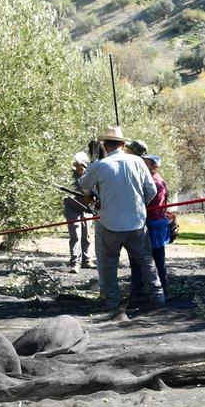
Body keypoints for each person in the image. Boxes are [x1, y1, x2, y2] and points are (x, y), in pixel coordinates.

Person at [78, 127, 164, 321]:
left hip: (109, 223)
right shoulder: (138, 162)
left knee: (107, 265)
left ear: (104, 146)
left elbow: (84, 184)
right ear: (124, 144)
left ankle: (111, 303)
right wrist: (139, 206)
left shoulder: (100, 165)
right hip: (136, 223)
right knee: (146, 262)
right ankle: (158, 300)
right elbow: (150, 190)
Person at [131, 154, 171, 302]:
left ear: (153, 165)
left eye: (145, 163)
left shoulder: (153, 182)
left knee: (151, 257)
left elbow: (146, 203)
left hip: (152, 222)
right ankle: (161, 288)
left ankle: (153, 291)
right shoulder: (159, 180)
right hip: (158, 222)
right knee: (157, 256)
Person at [63, 152, 95, 271]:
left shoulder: (91, 174)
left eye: (80, 165)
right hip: (72, 209)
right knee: (75, 235)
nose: (78, 168)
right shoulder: (70, 177)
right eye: (77, 165)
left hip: (86, 209)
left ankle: (86, 260)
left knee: (86, 235)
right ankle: (75, 262)